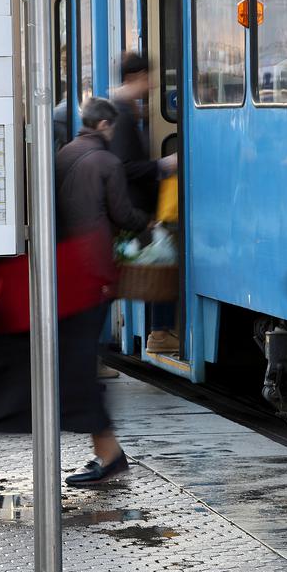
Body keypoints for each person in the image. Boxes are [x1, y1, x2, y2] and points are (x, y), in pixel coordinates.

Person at [0, 98, 151, 485]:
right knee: (38, 374)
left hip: (50, 286)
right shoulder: (27, 157)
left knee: (25, 375)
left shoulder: (19, 163)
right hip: (47, 283)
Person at [110, 51, 178, 354]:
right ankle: (160, 333)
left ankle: (159, 333)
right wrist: (163, 165)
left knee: (153, 265)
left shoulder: (124, 111)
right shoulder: (122, 115)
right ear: (132, 78)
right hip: (137, 209)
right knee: (162, 261)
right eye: (147, 78)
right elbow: (123, 166)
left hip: (136, 207)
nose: (151, 84)